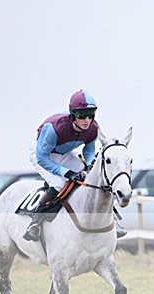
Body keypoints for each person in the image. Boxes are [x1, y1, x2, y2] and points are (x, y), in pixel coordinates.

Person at [24, 90, 125, 242]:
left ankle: (114, 219)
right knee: (59, 183)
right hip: (42, 154)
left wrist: (89, 165)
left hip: (65, 153)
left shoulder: (93, 129)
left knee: (90, 178)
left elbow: (89, 152)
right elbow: (42, 158)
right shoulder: (54, 128)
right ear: (73, 114)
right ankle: (35, 222)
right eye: (82, 115)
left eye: (91, 115)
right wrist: (66, 172)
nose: (87, 120)